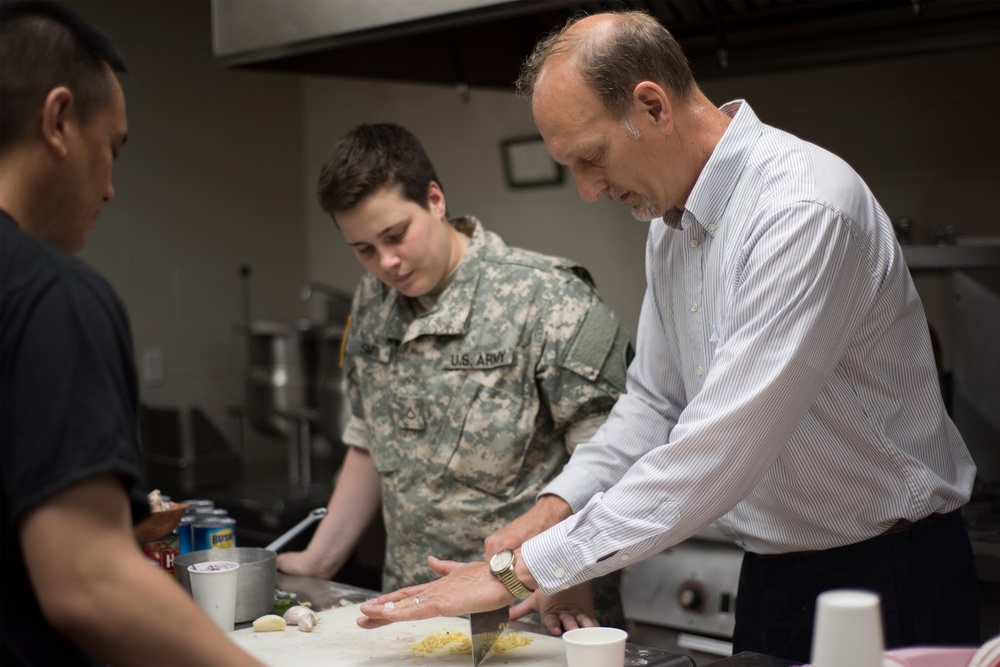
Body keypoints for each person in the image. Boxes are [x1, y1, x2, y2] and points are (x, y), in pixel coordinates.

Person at [355, 10, 981, 663]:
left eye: (591, 158)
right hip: (773, 574)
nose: (589, 190)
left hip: (885, 577)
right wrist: (552, 507)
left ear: (652, 106)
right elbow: (653, 403)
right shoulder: (672, 224)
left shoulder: (801, 209)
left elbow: (718, 445)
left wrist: (524, 569)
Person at [275, 122, 634, 633]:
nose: (387, 263)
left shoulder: (547, 299)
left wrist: (560, 576)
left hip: (532, 607)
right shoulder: (371, 305)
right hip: (407, 609)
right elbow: (369, 441)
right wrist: (320, 560)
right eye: (363, 250)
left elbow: (612, 461)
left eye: (395, 235)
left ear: (435, 199)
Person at [0, 3, 266, 666]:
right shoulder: (52, 294)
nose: (112, 188)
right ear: (59, 120)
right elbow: (89, 583)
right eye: (111, 148)